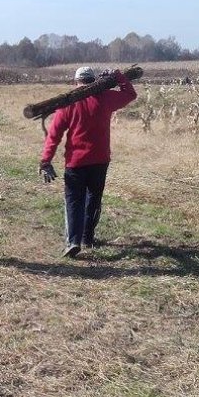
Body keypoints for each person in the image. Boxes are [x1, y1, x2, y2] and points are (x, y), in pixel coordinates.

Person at [39, 66, 137, 258]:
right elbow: (130, 94)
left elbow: (54, 135)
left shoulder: (68, 102)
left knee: (74, 200)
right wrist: (117, 75)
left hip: (75, 162)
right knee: (93, 199)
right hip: (100, 160)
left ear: (76, 82)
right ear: (95, 81)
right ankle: (87, 238)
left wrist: (46, 160)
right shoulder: (106, 97)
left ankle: (73, 241)